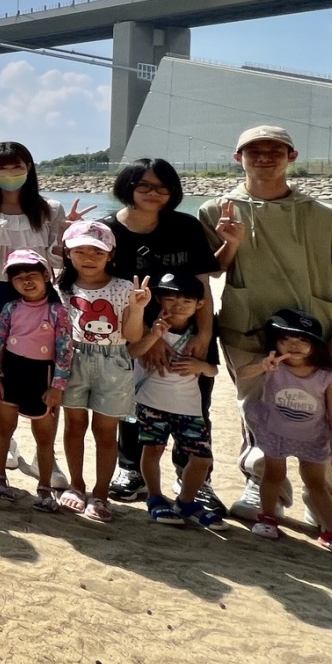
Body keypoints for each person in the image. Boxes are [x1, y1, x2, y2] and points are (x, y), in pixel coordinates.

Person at [203, 125, 332, 543]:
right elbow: (210, 271)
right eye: (253, 151)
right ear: (237, 157)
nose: (264, 158)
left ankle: (328, 503)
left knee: (323, 415)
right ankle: (263, 489)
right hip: (247, 328)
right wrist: (230, 242)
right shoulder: (216, 210)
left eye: (274, 150)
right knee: (256, 412)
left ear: (291, 156)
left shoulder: (325, 215)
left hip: (314, 336)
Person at [105, 157, 221, 509]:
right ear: (128, 187)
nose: (153, 193)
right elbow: (108, 289)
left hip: (188, 332)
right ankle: (131, 470)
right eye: (144, 185)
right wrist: (145, 340)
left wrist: (204, 335)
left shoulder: (186, 227)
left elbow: (203, 283)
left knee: (194, 403)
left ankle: (194, 478)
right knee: (133, 402)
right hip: (133, 332)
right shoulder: (109, 231)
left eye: (162, 187)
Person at [235, 309, 332, 557]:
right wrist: (261, 366)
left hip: (312, 436)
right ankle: (268, 518)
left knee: (316, 483)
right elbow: (241, 374)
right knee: (273, 475)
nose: (294, 345)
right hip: (275, 432)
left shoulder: (326, 374)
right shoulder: (273, 366)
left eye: (303, 339)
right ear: (275, 343)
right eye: (286, 339)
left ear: (315, 344)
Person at [56, 221, 151, 523]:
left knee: (106, 431)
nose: (88, 258)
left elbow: (132, 336)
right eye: (80, 251)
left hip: (114, 361)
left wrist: (138, 308)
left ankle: (99, 493)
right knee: (74, 425)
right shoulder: (61, 287)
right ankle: (76, 484)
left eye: (97, 252)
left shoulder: (124, 288)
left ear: (110, 255)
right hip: (72, 359)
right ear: (68, 253)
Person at [128, 273, 224, 528]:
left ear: (199, 305)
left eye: (186, 301)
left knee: (202, 458)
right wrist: (153, 336)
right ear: (159, 299)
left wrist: (199, 366)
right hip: (152, 402)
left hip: (189, 407)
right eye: (170, 299)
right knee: (153, 450)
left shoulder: (200, 336)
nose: (178, 305)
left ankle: (186, 501)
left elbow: (213, 370)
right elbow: (132, 352)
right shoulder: (150, 325)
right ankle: (155, 497)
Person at [0, 250, 73, 508]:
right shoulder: (10, 308)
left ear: (46, 276)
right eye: (18, 278)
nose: (26, 281)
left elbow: (65, 352)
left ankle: (44, 487)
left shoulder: (58, 311)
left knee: (44, 436)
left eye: (32, 275)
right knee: (5, 426)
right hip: (12, 373)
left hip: (41, 377)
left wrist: (57, 387)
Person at [0, 141, 73, 292]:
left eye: (17, 167)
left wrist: (65, 234)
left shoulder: (51, 209)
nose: (10, 174)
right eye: (2, 168)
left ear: (28, 167)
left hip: (39, 288)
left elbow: (57, 263)